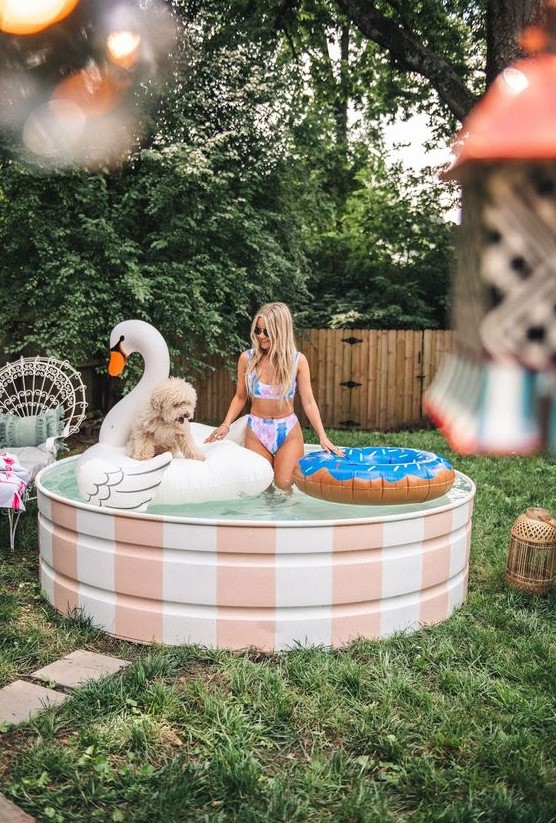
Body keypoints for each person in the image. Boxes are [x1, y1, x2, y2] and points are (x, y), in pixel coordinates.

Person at [204, 302, 344, 490]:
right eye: (258, 330)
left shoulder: (297, 361)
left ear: (281, 331)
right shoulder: (248, 359)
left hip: (287, 431)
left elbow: (309, 402)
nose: (261, 336)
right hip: (257, 430)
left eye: (267, 332)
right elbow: (240, 397)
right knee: (262, 488)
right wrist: (225, 424)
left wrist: (323, 437)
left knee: (284, 486)